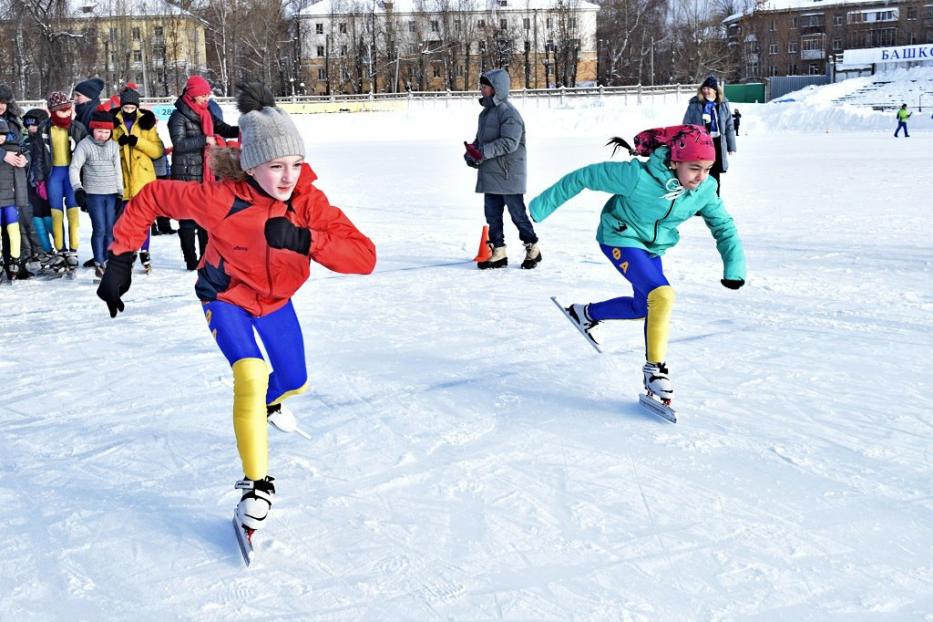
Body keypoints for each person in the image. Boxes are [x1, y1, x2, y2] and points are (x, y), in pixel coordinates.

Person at [96, 83, 376, 539]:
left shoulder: (309, 204)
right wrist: (121, 258)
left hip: (276, 302)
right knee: (251, 375)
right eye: (275, 166)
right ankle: (256, 485)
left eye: (295, 165)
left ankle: (265, 409)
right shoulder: (218, 199)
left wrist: (307, 241)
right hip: (225, 297)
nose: (288, 177)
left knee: (295, 381)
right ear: (250, 165)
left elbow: (364, 257)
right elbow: (149, 197)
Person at [528, 125, 746, 404]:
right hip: (619, 236)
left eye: (707, 168)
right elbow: (584, 176)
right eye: (694, 168)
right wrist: (540, 207)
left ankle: (585, 314)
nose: (701, 177)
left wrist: (734, 268)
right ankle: (655, 370)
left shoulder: (704, 190)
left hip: (652, 248)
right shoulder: (636, 176)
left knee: (646, 306)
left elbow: (724, 226)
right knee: (663, 295)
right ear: (675, 160)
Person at [463, 69, 540, 270]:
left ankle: (533, 247)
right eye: (481, 85)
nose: (481, 89)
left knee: (517, 214)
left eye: (485, 85)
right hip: (490, 173)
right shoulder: (485, 114)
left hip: (508, 173)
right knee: (492, 215)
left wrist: (483, 152)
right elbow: (481, 141)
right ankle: (499, 251)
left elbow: (509, 143)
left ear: (496, 88)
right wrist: (472, 153)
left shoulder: (509, 113)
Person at [168, 75, 238, 270]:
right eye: (203, 95)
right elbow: (179, 144)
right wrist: (204, 140)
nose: (207, 98)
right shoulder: (178, 117)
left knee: (206, 220)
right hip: (186, 174)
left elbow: (223, 128)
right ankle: (191, 260)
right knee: (188, 221)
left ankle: (205, 259)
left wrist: (242, 130)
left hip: (207, 174)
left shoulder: (206, 112)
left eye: (208, 94)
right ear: (192, 95)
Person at [30, 91, 87, 270]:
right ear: (52, 111)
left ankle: (73, 250)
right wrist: (39, 180)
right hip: (53, 175)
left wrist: (85, 180)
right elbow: (38, 156)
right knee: (56, 215)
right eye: (62, 110)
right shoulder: (45, 128)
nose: (67, 113)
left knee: (73, 214)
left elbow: (86, 156)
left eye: (68, 109)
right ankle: (60, 249)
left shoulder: (77, 128)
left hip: (72, 176)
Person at [111, 87, 163, 272]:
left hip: (142, 179)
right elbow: (107, 149)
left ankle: (145, 250)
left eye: (133, 107)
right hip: (122, 178)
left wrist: (137, 142)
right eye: (126, 107)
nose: (129, 110)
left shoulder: (146, 122)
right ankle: (129, 250)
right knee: (125, 219)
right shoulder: (114, 123)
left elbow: (157, 151)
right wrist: (120, 144)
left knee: (143, 218)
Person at [69, 106, 123, 278]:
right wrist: (78, 188)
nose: (103, 135)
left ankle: (108, 260)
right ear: (93, 129)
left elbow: (118, 170)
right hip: (94, 194)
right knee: (99, 228)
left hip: (111, 193)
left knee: (110, 228)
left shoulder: (113, 146)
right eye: (99, 131)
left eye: (107, 132)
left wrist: (120, 191)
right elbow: (74, 167)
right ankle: (99, 261)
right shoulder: (85, 145)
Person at [682, 75, 735, 196]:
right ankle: (698, 203)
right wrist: (687, 144)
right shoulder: (695, 104)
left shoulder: (722, 104)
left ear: (715, 90)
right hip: (700, 144)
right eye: (704, 88)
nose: (706, 91)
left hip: (717, 143)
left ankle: (714, 201)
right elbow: (686, 125)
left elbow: (729, 126)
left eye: (708, 89)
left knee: (715, 174)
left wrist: (731, 146)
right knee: (700, 174)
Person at [0, 118, 30, 280]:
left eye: (3, 134)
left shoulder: (14, 148)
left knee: (13, 229)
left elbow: (26, 152)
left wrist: (25, 159)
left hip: (11, 198)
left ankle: (15, 258)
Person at [22, 108, 53, 260]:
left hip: (47, 183)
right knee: (36, 217)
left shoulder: (47, 141)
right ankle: (46, 249)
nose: (30, 129)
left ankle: (61, 248)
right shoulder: (25, 141)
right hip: (30, 186)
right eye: (27, 126)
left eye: (34, 125)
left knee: (49, 216)